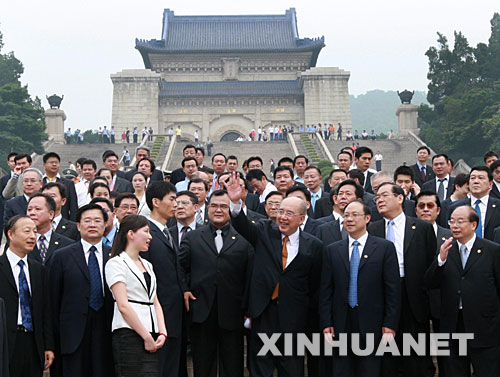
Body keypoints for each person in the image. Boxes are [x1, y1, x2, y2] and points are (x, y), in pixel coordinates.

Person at [226, 172, 322, 377]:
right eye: (280, 211)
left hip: (294, 317)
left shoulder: (314, 245)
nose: (283, 217)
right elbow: (242, 225)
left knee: (292, 369)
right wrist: (235, 203)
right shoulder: (264, 230)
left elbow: (314, 284)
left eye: (289, 213)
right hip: (264, 312)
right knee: (261, 368)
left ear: (302, 219)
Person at [320, 200, 400, 377]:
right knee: (341, 370)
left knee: (369, 369)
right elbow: (326, 290)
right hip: (342, 320)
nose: (349, 219)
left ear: (367, 218)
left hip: (373, 321)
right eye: (346, 215)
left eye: (354, 215)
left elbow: (393, 290)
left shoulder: (384, 248)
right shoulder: (333, 250)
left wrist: (390, 324)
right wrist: (327, 323)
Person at [179, 190, 254, 377]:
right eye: (214, 205)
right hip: (201, 312)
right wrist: (185, 289)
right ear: (207, 208)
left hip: (233, 313)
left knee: (233, 366)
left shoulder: (244, 239)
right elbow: (180, 267)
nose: (218, 210)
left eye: (223, 206)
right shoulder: (193, 237)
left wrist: (247, 309)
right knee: (203, 366)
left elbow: (250, 276)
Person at [368, 183, 436, 377]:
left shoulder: (421, 228)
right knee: (387, 354)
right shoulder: (372, 228)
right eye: (376, 197)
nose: (379, 200)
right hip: (382, 295)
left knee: (416, 354)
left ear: (400, 198)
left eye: (384, 195)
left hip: (413, 296)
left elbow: (430, 265)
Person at [425, 206, 500, 377]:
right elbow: (430, 283)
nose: (454, 226)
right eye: (451, 221)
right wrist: (440, 260)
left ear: (473, 225)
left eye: (460, 221)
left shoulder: (492, 250)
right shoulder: (445, 248)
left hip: (484, 326)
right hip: (453, 324)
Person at [50, 203, 115, 377]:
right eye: (87, 221)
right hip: (72, 333)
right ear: (78, 226)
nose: (92, 225)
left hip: (106, 328)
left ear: (105, 225)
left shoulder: (115, 256)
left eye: (97, 221)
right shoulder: (62, 256)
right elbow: (53, 300)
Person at [105, 215, 167, 376]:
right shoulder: (115, 263)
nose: (150, 237)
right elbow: (123, 305)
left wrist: (162, 332)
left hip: (151, 332)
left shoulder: (147, 265)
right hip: (128, 333)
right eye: (146, 231)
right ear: (131, 234)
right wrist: (146, 337)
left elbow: (155, 300)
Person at [0, 215, 55, 377]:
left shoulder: (38, 270)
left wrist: (48, 345)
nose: (32, 236)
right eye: (27, 231)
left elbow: (45, 310)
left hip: (32, 341)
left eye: (35, 231)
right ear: (11, 234)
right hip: (6, 341)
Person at [141, 181, 184, 377]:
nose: (177, 204)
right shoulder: (146, 233)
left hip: (172, 316)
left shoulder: (168, 232)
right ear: (156, 202)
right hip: (156, 318)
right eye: (172, 199)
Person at [415, 191, 451, 377]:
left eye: (430, 206)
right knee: (419, 353)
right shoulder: (408, 234)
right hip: (416, 303)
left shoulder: (450, 235)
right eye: (421, 206)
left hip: (442, 302)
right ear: (416, 210)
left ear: (438, 210)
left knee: (445, 353)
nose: (426, 210)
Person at [448, 166, 500, 241]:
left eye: (481, 178)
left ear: (490, 184)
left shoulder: (498, 206)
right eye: (472, 178)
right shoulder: (455, 207)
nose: (476, 181)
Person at [26, 193, 74, 266]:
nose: (32, 213)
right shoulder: (18, 243)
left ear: (51, 214)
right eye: (29, 209)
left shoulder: (68, 244)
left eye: (38, 209)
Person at [41, 152, 79, 221]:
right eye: (51, 162)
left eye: (56, 162)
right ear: (44, 165)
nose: (54, 164)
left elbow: (73, 207)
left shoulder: (68, 184)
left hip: (63, 222)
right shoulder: (39, 182)